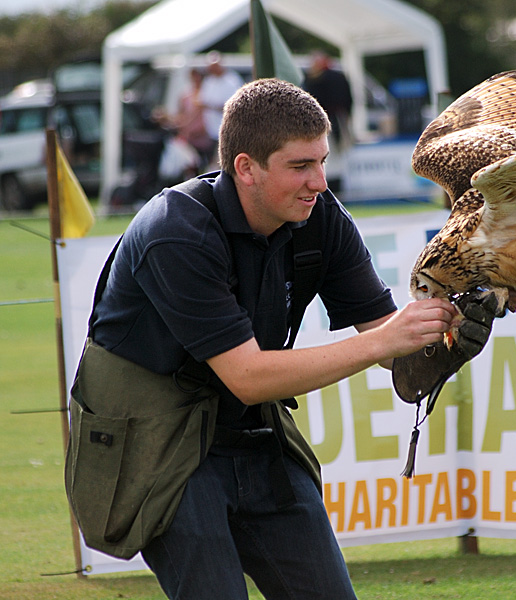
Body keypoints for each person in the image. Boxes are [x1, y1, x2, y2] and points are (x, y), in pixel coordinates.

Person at [84, 78, 463, 599]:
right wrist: (388, 342)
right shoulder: (177, 231)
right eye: (300, 166)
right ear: (246, 167)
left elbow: (388, 337)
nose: (320, 182)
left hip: (255, 439)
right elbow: (248, 377)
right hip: (162, 448)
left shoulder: (321, 217)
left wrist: (448, 330)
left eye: (323, 161)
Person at [303, 50, 353, 192]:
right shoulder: (338, 76)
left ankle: (333, 187)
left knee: (331, 155)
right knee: (336, 155)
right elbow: (349, 101)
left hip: (324, 121)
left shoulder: (315, 79)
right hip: (337, 120)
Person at [198, 51, 245, 168]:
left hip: (226, 129)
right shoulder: (209, 81)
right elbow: (201, 102)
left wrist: (211, 106)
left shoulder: (232, 80)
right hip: (210, 130)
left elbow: (234, 105)